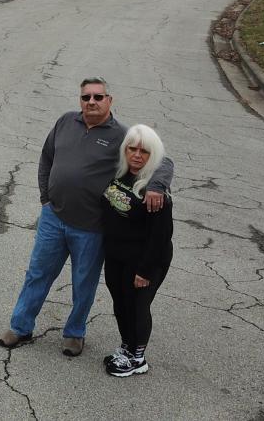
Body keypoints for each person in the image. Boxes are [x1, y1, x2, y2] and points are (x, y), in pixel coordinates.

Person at [0, 77, 173, 357]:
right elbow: (46, 158)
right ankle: (20, 327)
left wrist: (157, 185)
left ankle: (75, 332)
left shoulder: (122, 135)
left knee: (83, 283)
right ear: (80, 100)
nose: (91, 102)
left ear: (109, 100)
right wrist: (45, 198)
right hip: (53, 218)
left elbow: (162, 159)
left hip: (91, 228)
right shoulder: (66, 122)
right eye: (86, 97)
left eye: (98, 97)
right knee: (37, 274)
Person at [102, 124, 173, 377]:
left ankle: (138, 357)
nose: (137, 155)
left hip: (145, 259)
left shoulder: (154, 191)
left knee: (137, 306)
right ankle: (126, 347)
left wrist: (145, 270)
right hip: (116, 255)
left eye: (144, 151)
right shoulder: (120, 175)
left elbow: (161, 236)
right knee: (120, 303)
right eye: (132, 149)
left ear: (152, 155)